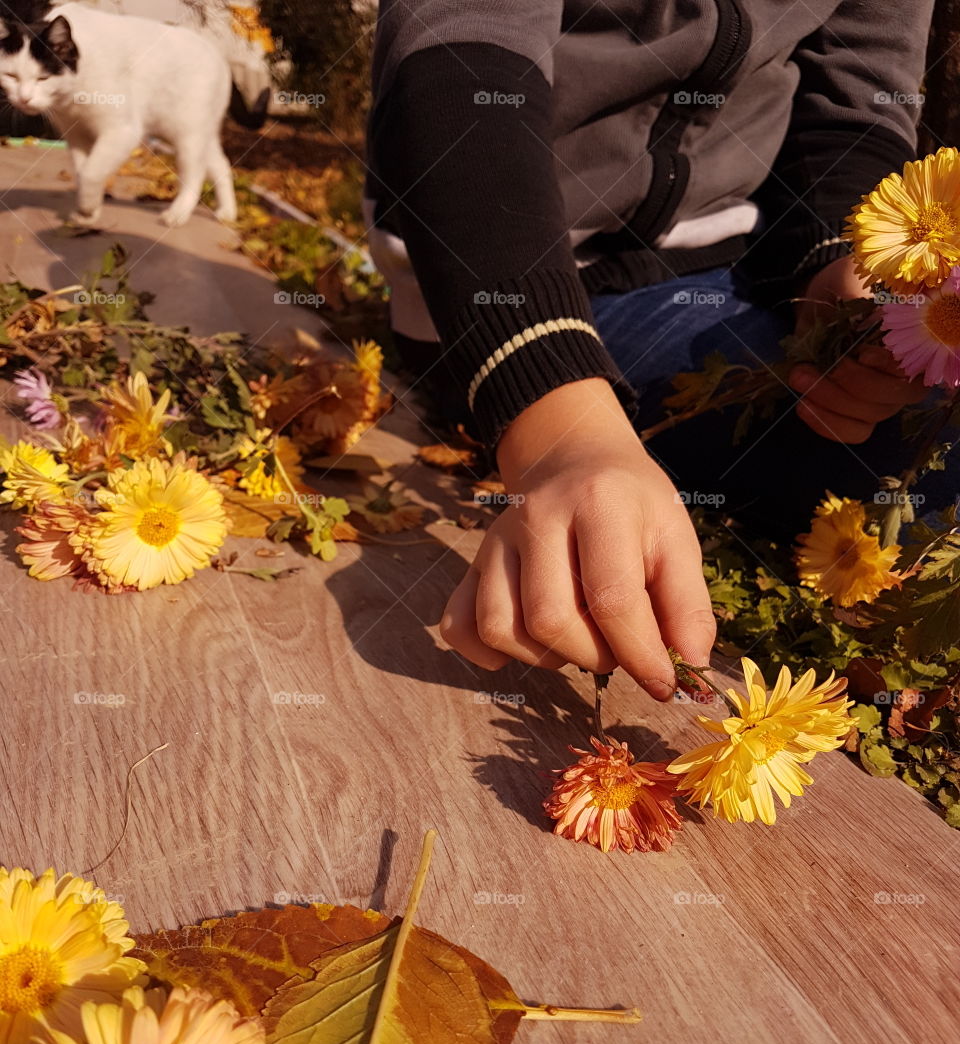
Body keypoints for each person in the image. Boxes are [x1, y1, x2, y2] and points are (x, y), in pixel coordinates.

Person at [363, 0, 937, 698]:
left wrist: (839, 267)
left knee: (925, 423)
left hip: (731, 264)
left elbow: (856, 103)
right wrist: (557, 424)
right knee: (923, 469)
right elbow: (460, 52)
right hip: (502, 271)